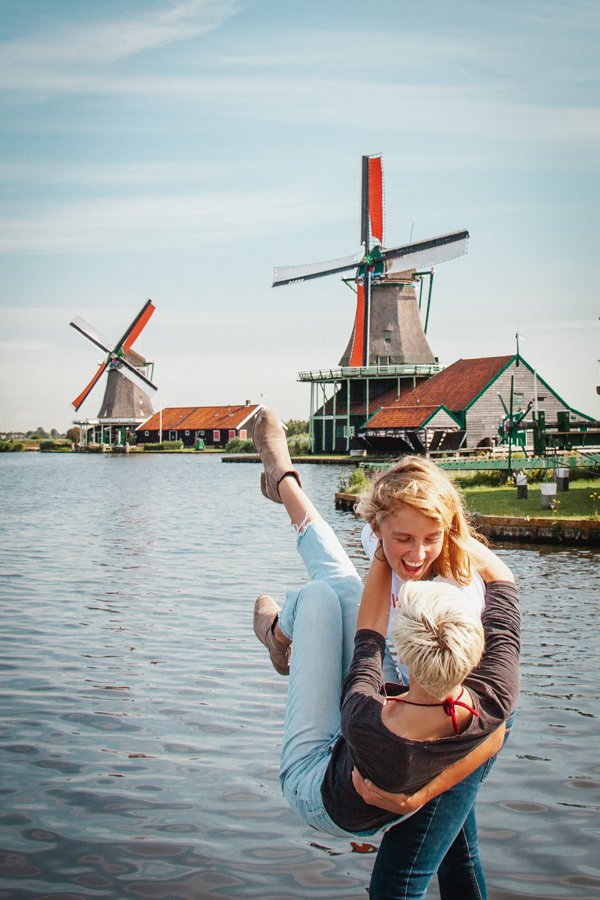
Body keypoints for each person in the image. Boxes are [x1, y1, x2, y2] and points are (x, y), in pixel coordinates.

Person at [251, 409, 520, 899]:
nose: (415, 555)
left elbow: (370, 640)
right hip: (438, 706)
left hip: (322, 779)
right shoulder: (494, 691)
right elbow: (503, 584)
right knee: (460, 853)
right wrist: (443, 532)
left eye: (427, 540)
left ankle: (278, 629)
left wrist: (419, 795)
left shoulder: (366, 710)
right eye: (402, 539)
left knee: (319, 597)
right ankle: (283, 479)